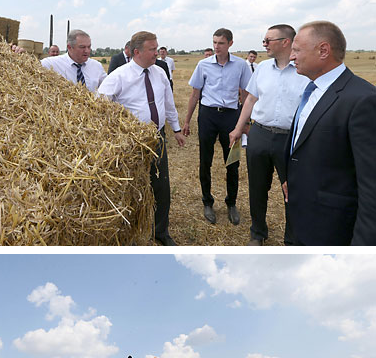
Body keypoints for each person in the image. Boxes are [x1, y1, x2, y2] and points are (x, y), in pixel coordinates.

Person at [284, 21, 376, 245]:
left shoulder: (363, 99)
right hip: (300, 218)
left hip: (332, 230)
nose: (291, 57)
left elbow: (371, 186)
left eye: (296, 50)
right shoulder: (311, 89)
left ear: (323, 50)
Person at [98, 30, 185, 246]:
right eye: (152, 49)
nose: (157, 53)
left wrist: (176, 129)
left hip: (158, 138)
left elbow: (168, 103)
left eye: (157, 48)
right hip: (131, 142)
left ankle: (160, 232)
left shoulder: (160, 73)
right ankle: (130, 235)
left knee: (161, 187)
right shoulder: (118, 76)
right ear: (137, 52)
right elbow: (98, 105)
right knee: (131, 189)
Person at [229, 25, 309, 246]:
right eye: (264, 40)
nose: (264, 44)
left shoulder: (305, 71)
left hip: (291, 140)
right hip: (260, 134)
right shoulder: (262, 68)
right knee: (257, 187)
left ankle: (292, 239)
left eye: (268, 40)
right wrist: (238, 128)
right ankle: (258, 233)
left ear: (286, 42)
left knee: (292, 190)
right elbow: (251, 100)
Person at [183, 28, 250, 226]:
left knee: (232, 162)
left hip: (231, 116)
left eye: (220, 43)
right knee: (206, 161)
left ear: (230, 43)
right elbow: (195, 94)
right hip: (208, 116)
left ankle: (231, 204)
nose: (216, 47)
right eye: (214, 42)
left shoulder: (241, 65)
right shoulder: (203, 65)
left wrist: (245, 123)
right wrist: (187, 121)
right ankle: (207, 202)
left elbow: (246, 95)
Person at [41, 28, 106, 91]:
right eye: (82, 47)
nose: (87, 51)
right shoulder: (51, 64)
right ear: (69, 47)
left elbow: (107, 88)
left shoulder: (97, 66)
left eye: (89, 47)